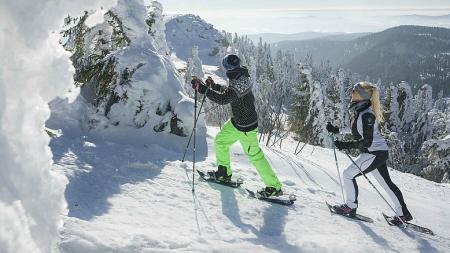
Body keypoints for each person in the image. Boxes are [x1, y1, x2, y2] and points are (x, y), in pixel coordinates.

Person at [191, 54, 283, 197]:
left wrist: (203, 90)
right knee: (220, 141)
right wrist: (214, 86)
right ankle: (223, 173)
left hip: (247, 127)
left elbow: (224, 99)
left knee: (255, 156)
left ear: (226, 66)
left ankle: (274, 187)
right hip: (237, 122)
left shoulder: (239, 80)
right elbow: (229, 91)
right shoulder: (239, 76)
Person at [326, 81, 412, 224]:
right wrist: (338, 130)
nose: (351, 93)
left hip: (374, 153)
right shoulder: (360, 110)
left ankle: (350, 207)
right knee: (386, 184)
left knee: (348, 175)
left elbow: (367, 141)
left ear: (362, 95)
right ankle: (403, 214)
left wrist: (345, 145)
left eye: (354, 91)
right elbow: (355, 128)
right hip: (376, 152)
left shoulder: (367, 115)